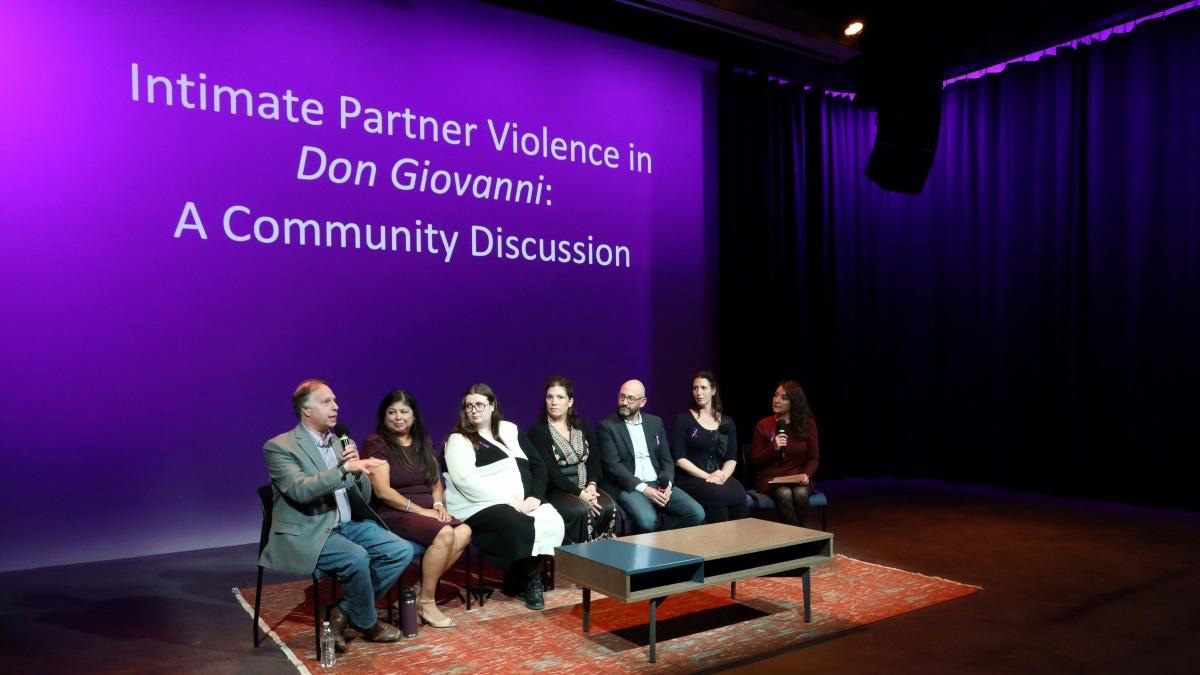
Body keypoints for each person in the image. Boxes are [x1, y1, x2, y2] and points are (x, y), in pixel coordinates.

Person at [259, 379, 414, 652]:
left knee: (400, 549)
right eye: (326, 402)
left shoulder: (341, 441)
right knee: (357, 558)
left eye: (335, 400)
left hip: (347, 524)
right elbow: (300, 491)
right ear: (306, 410)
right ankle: (369, 623)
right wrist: (343, 469)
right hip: (311, 528)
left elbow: (361, 498)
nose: (336, 407)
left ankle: (341, 614)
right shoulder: (280, 446)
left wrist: (356, 473)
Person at [442, 383, 564, 610]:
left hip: (522, 500)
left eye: (479, 404)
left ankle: (515, 576)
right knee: (517, 525)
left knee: (553, 520)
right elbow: (465, 480)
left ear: (492, 406)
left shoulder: (510, 429)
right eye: (468, 406)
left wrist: (535, 497)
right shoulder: (459, 439)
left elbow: (539, 466)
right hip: (478, 504)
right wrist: (508, 500)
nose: (474, 410)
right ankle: (529, 578)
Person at [360, 389, 471, 628]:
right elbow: (383, 492)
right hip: (394, 511)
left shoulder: (423, 441)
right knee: (445, 532)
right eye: (392, 412)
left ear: (414, 416)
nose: (398, 417)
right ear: (384, 416)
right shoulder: (376, 443)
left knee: (464, 532)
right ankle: (428, 603)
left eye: (403, 411)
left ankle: (418, 593)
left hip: (427, 513)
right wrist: (422, 511)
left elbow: (435, 481)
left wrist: (439, 504)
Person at [596, 379, 704, 533]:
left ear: (643, 402)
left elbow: (666, 459)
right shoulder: (607, 426)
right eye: (621, 397)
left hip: (658, 484)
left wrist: (667, 486)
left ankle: (665, 543)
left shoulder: (654, 423)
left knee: (696, 513)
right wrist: (645, 489)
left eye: (630, 398)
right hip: (629, 486)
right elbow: (613, 465)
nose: (624, 402)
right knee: (648, 521)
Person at [525, 376, 617, 544]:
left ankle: (604, 561)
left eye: (560, 397)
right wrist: (580, 494)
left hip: (584, 487)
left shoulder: (582, 426)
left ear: (570, 402)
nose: (554, 402)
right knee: (580, 511)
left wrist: (591, 485)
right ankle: (577, 562)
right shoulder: (538, 432)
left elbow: (594, 462)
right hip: (555, 490)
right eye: (549, 397)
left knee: (608, 507)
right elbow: (551, 474)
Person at [672, 371, 749, 523]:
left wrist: (722, 476)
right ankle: (720, 545)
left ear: (713, 391)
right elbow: (680, 458)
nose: (698, 392)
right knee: (717, 500)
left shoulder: (727, 422)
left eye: (703, 388)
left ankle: (738, 543)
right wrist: (707, 476)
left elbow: (731, 458)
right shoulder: (683, 420)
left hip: (718, 477)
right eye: (695, 388)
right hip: (691, 477)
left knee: (739, 495)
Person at [750, 380, 820, 526]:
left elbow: (813, 458)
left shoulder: (808, 424)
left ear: (794, 402)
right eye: (775, 395)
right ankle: (800, 542)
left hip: (797, 476)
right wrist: (773, 448)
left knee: (800, 493)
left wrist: (806, 475)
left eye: (783, 398)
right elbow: (756, 460)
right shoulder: (763, 425)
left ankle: (797, 541)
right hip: (771, 479)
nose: (776, 400)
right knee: (785, 493)